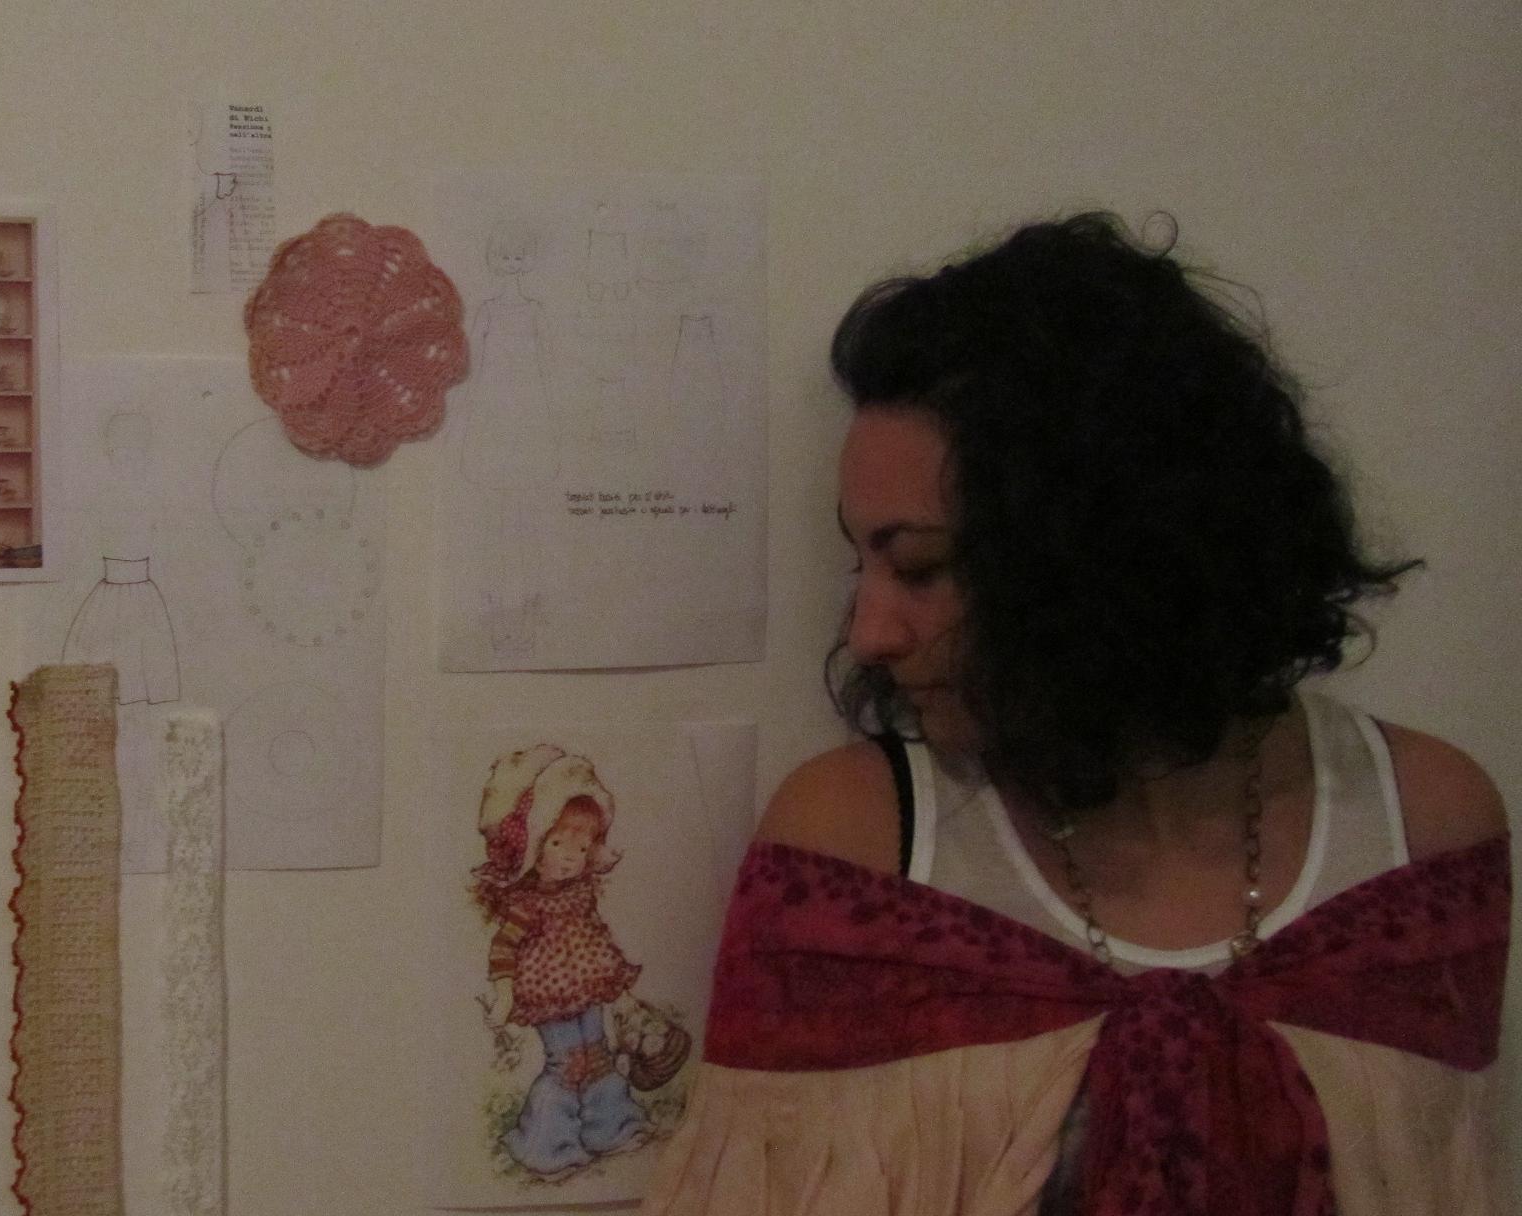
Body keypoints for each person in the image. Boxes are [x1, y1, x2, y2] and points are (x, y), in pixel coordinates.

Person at [645, 213, 1510, 1215]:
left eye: (920, 566)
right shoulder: (855, 855)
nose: (870, 632)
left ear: (1105, 554)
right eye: (861, 562)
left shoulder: (1423, 833)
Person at [473, 745, 656, 1177]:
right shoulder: (527, 903)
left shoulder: (581, 893)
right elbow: (503, 949)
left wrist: (621, 993)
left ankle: (609, 1129)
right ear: (534, 847)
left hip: (587, 989)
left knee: (598, 1057)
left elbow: (598, 942)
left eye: (582, 845)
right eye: (558, 843)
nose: (571, 856)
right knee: (566, 1065)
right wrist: (504, 995)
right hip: (548, 996)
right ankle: (546, 1145)